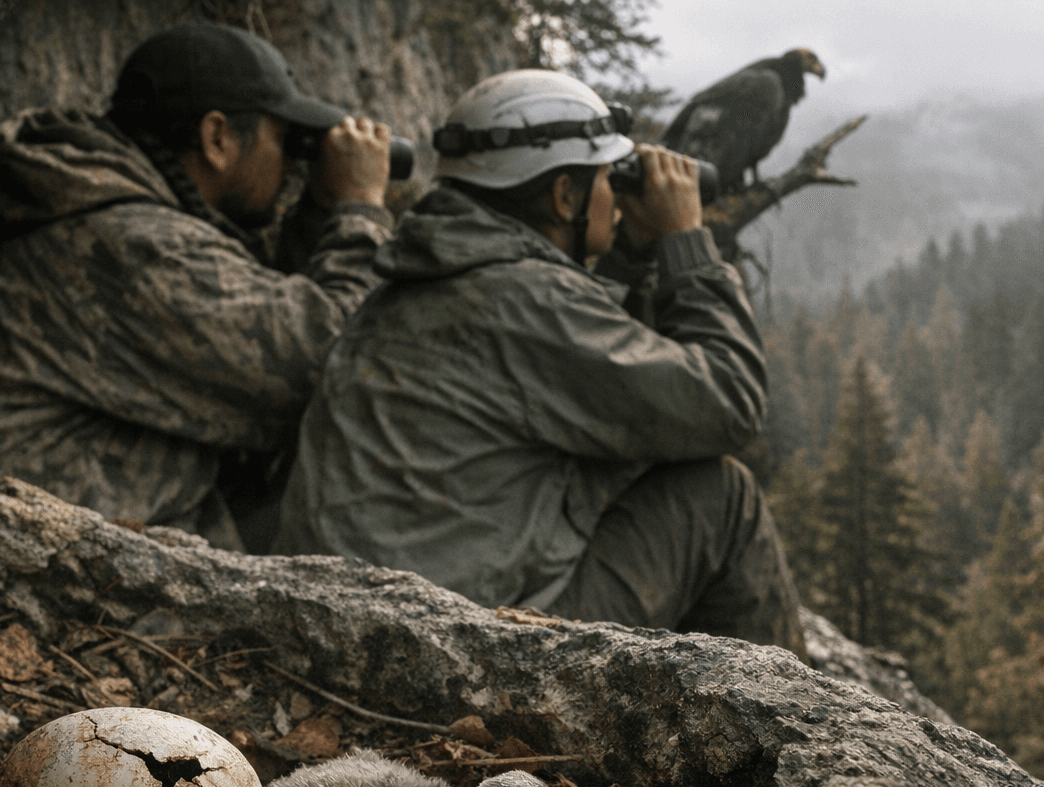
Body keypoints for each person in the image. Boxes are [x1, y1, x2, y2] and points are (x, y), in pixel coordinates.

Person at [274, 69, 808, 657]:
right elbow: (729, 401)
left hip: (356, 626)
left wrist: (628, 250)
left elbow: (577, 349)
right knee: (722, 494)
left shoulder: (425, 271)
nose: (615, 192)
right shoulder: (523, 299)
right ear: (563, 197)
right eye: (607, 177)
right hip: (473, 646)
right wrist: (686, 241)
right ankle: (787, 727)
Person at [0, 21, 394, 552]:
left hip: (9, 525)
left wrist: (316, 214)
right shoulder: (134, 243)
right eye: (285, 138)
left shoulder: (110, 218)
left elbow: (265, 313)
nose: (294, 160)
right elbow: (329, 364)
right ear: (217, 138)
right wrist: (359, 208)